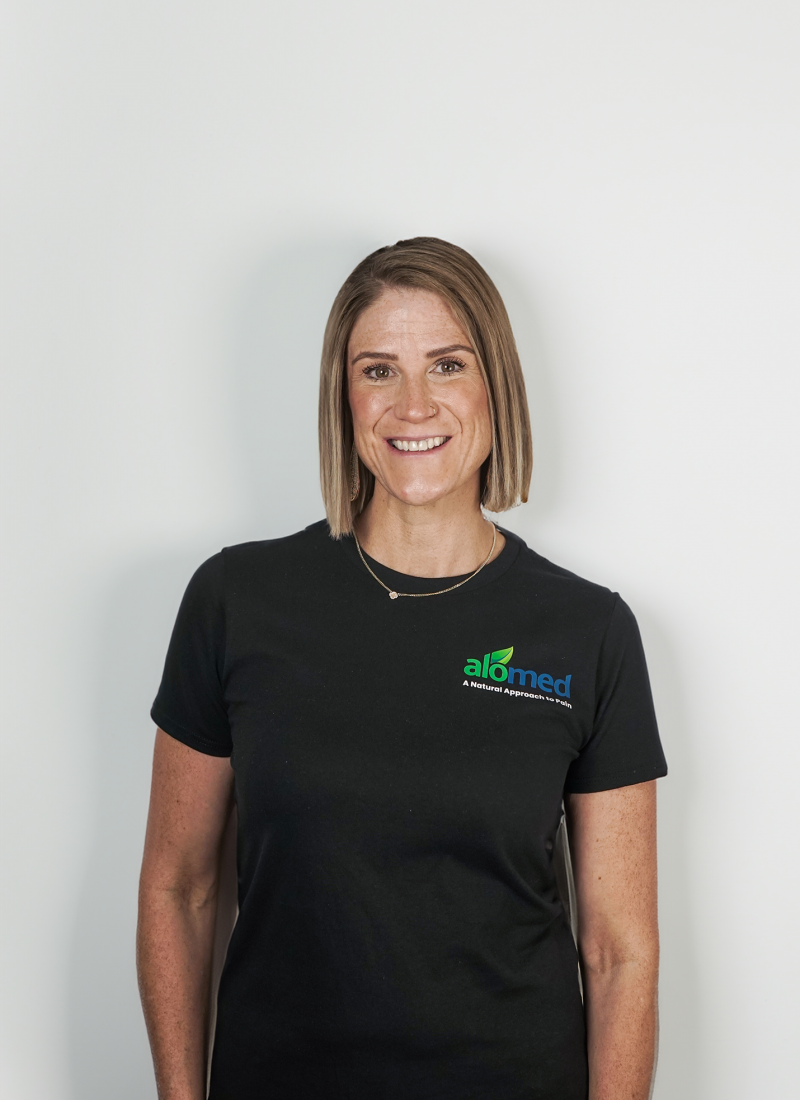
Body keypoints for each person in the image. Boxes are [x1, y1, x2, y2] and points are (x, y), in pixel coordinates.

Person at [137, 236, 667, 1100]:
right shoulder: (236, 601)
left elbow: (619, 952)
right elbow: (180, 888)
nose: (413, 404)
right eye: (378, 370)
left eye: (447, 365)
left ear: (496, 386)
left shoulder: (587, 631)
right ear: (343, 397)